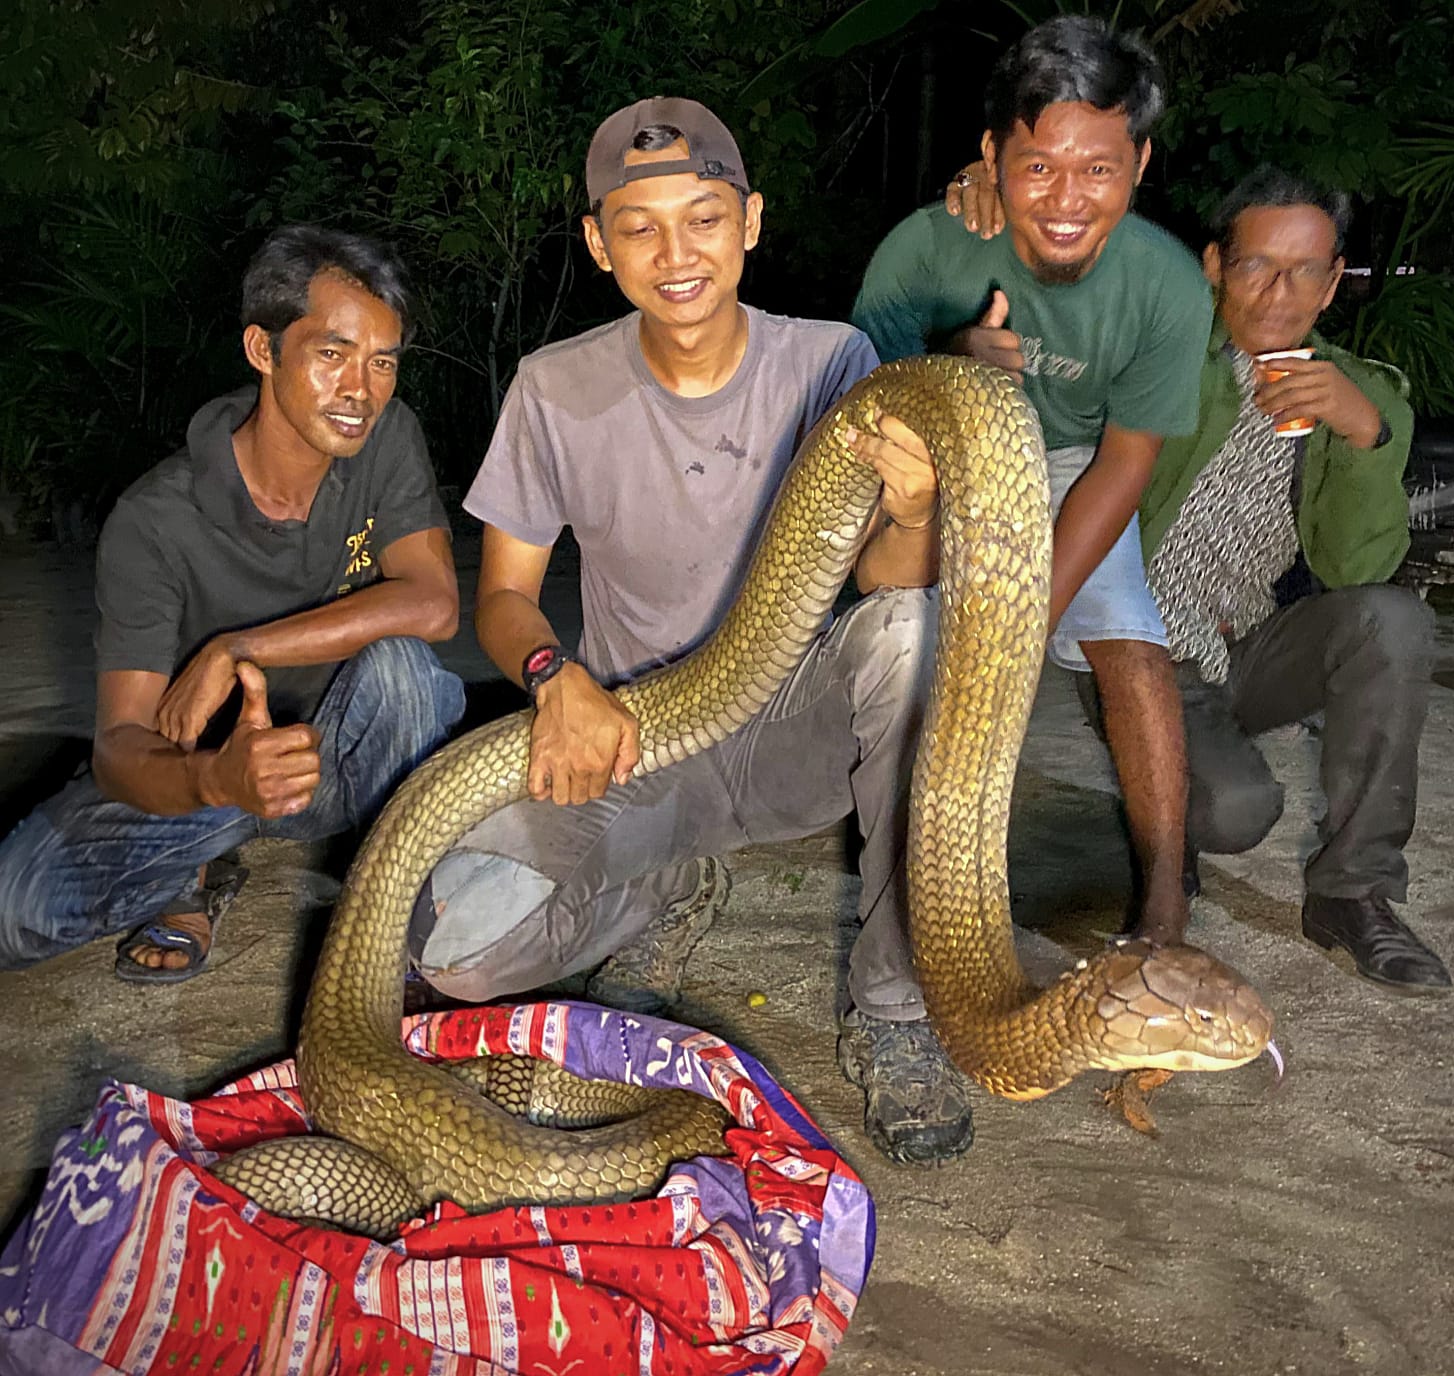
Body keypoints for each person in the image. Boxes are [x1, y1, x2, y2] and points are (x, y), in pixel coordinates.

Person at [410, 96, 975, 1165]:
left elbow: (885, 576)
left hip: (789, 725)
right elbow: (502, 596)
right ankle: (669, 880)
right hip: (636, 740)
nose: (677, 253)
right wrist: (552, 675)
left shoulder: (829, 363)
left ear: (750, 220)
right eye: (640, 225)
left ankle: (896, 1009)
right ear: (598, 242)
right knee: (460, 952)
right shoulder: (553, 388)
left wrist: (911, 511)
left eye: (705, 218)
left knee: (916, 631)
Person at [0, 226, 466, 982]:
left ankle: (391, 896)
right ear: (263, 349)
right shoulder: (155, 519)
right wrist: (219, 779)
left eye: (383, 362)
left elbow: (434, 603)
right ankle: (193, 876)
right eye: (333, 354)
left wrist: (238, 649)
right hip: (207, 776)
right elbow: (120, 745)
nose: (362, 389)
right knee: (14, 906)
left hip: (332, 760)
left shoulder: (385, 440)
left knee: (407, 673)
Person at [853, 15, 1211, 944]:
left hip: (1072, 465)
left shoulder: (1168, 284)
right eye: (1038, 165)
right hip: (935, 454)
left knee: (1132, 646)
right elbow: (859, 412)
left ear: (1139, 161)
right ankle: (904, 873)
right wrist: (951, 366)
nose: (1065, 197)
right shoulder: (925, 250)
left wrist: (1021, 620)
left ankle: (1167, 898)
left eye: (1098, 168)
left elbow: (1126, 462)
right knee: (906, 641)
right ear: (992, 155)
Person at [1139, 167, 1446, 988]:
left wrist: (1361, 435)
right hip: (1144, 652)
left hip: (1248, 647)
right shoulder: (1164, 350)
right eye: (1256, 265)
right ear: (1214, 267)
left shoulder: (1365, 393)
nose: (1281, 291)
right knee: (1233, 812)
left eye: (1306, 269)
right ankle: (1153, 829)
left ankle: (1354, 893)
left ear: (1335, 280)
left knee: (1393, 621)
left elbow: (1356, 570)